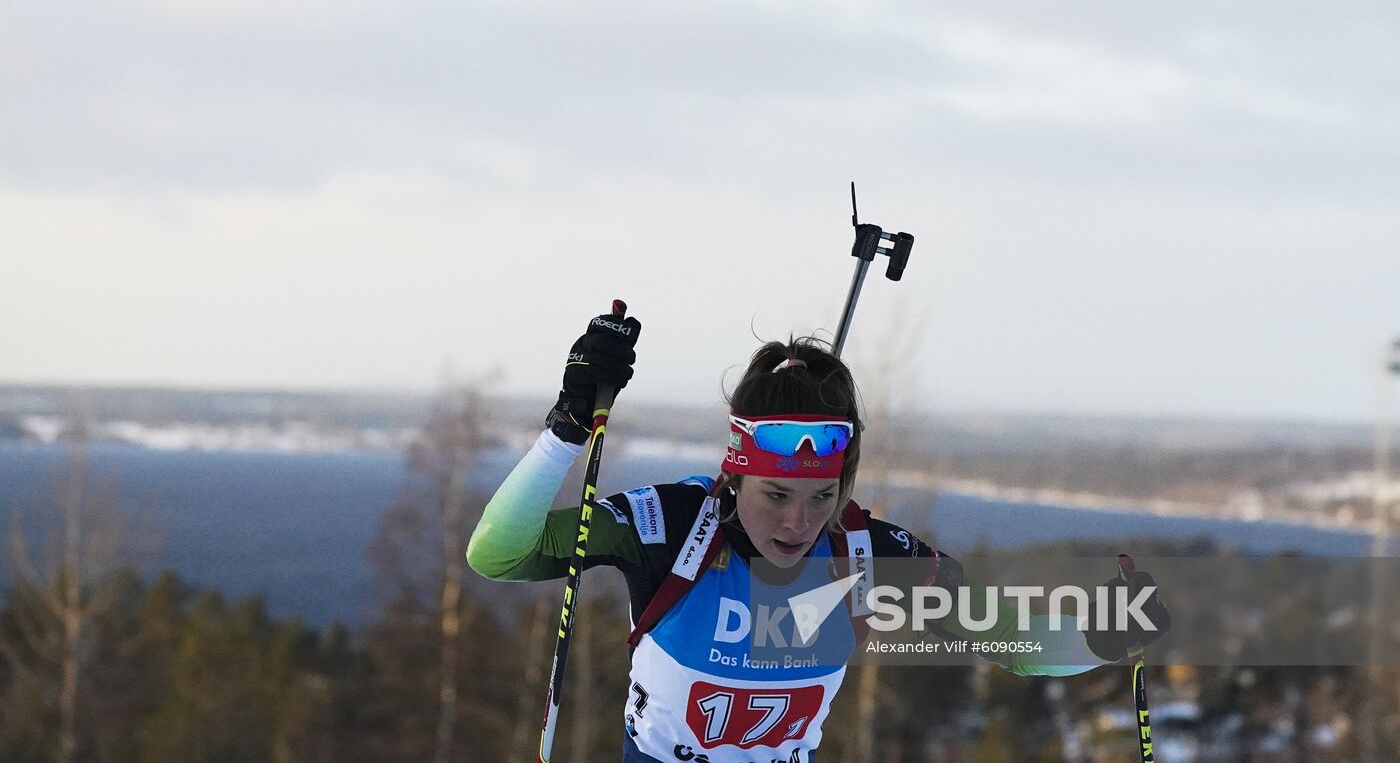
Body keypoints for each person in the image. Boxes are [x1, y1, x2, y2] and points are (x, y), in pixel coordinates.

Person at [467, 310, 1170, 762]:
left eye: (821, 498)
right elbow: (497, 555)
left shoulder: (865, 553)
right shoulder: (674, 527)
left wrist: (1108, 636)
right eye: (775, 495)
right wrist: (568, 427)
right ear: (735, 475)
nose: (798, 523)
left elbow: (1011, 642)